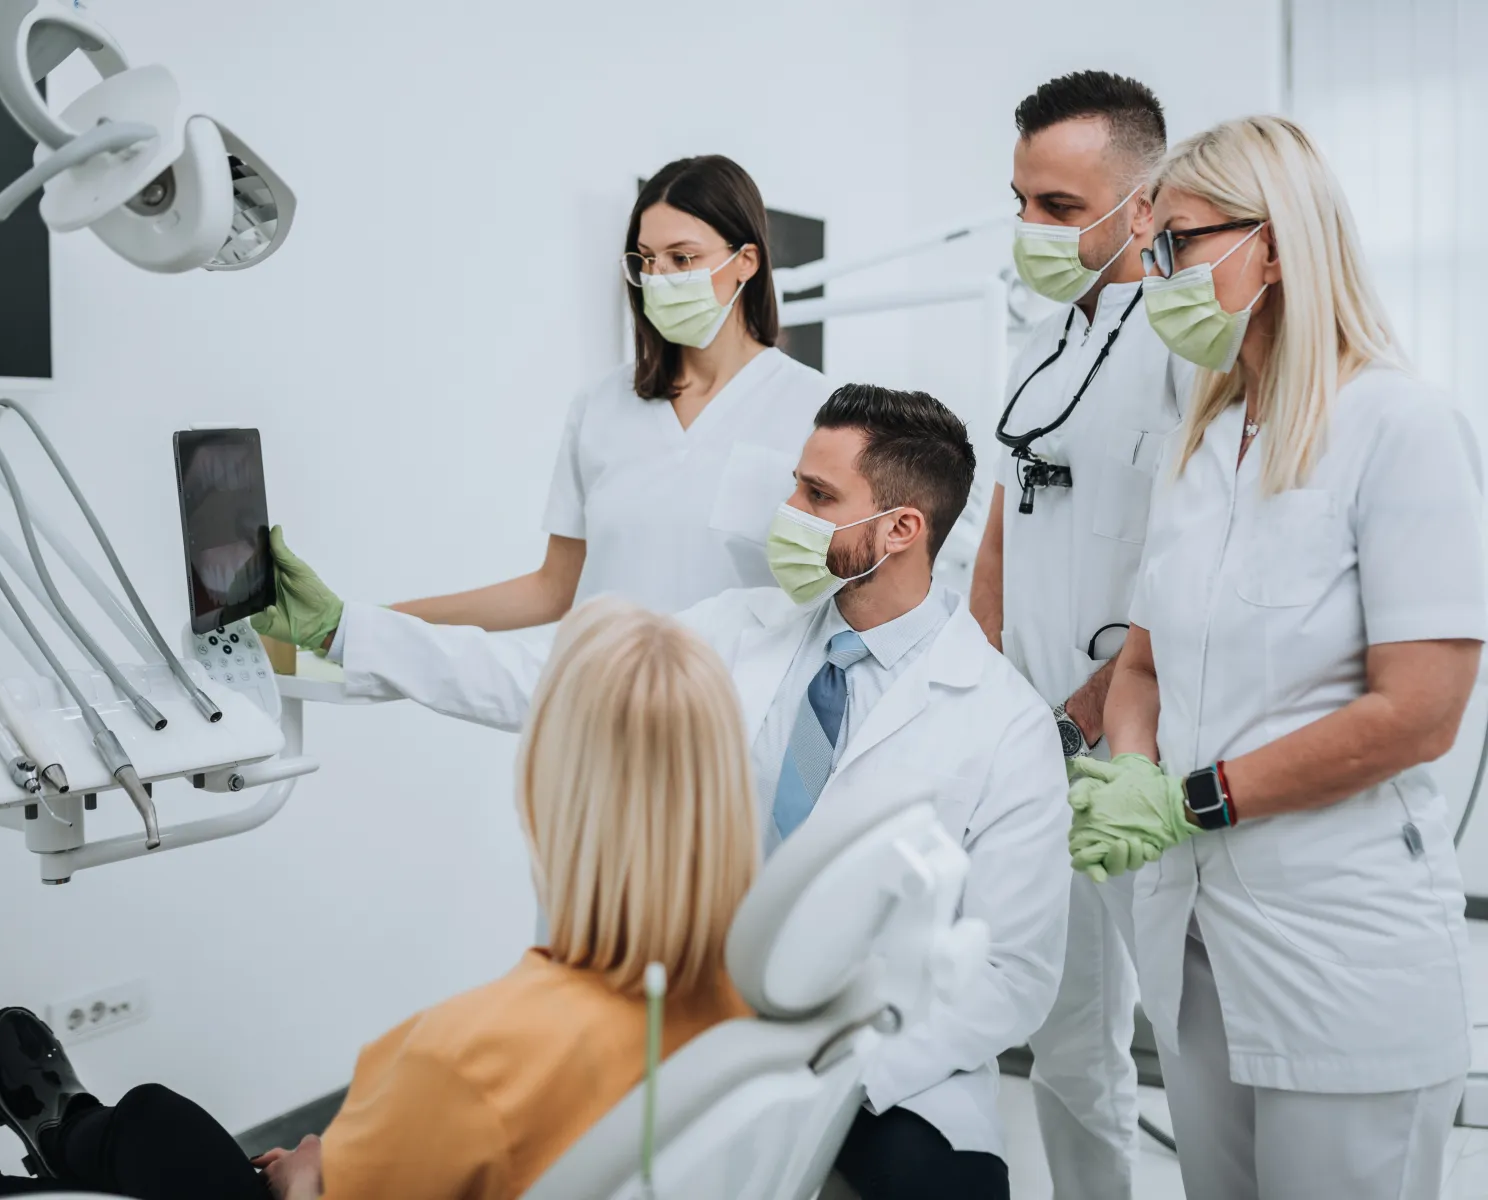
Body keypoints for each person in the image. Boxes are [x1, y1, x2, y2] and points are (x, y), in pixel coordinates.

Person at [257, 383, 1072, 1200]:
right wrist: (347, 630)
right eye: (794, 482)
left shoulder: (1007, 726)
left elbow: (1013, 975)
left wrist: (822, 1070)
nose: (784, 510)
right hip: (688, 1018)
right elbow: (548, 677)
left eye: (816, 495)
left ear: (901, 529)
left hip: (885, 1062)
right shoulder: (733, 630)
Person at [0, 598, 758, 1200]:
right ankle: (54, 1139)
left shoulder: (465, 1062)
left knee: (159, 1127)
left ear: (547, 790)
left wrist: (310, 1183)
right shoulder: (748, 1009)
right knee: (165, 1133)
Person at [1068, 114, 1485, 1200]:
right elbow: (1145, 665)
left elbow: (1419, 712)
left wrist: (1197, 799)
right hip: (1196, 927)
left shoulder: (1398, 426)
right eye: (1149, 250)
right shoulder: (1203, 443)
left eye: (1180, 245)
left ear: (1277, 244)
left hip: (1338, 938)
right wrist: (1125, 766)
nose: (1154, 275)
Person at [968, 69, 1194, 1200]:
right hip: (1036, 741)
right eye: (1020, 201)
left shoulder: (1189, 348)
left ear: (1144, 206)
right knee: (1064, 1042)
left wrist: (1100, 701)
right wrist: (971, 683)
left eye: (1058, 208)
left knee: (1188, 1041)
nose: (1029, 230)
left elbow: (1198, 559)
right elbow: (1008, 519)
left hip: (1146, 746)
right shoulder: (1042, 342)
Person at [391, 154, 831, 630]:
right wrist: (381, 623)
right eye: (646, 259)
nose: (659, 279)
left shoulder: (815, 410)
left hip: (727, 700)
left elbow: (837, 597)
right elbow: (553, 589)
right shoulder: (600, 405)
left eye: (682, 258)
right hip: (602, 691)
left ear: (745, 260)